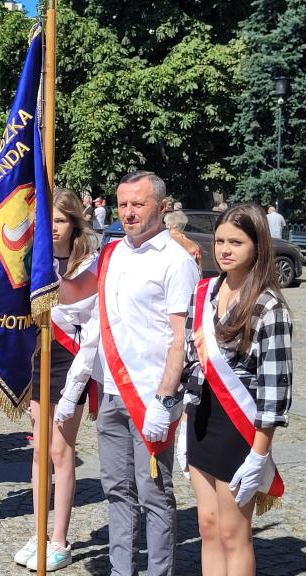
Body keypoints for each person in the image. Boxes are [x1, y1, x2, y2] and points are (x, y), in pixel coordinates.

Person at [92, 171, 199, 575]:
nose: (129, 213)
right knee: (116, 490)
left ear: (162, 207)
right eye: (123, 204)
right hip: (114, 392)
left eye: (139, 204)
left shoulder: (175, 259)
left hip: (151, 398)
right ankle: (122, 569)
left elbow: (180, 338)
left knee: (154, 493)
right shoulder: (114, 252)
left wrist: (164, 400)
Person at [179, 204, 292, 576]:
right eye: (220, 241)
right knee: (207, 527)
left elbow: (275, 391)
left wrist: (259, 456)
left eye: (236, 242)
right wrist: (183, 420)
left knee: (233, 533)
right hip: (201, 419)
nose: (224, 250)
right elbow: (190, 360)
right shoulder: (205, 290)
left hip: (239, 430)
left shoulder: (269, 306)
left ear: (258, 247)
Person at [14, 188, 101, 569]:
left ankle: (60, 538)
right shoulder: (35, 260)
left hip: (72, 360)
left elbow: (92, 330)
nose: (53, 228)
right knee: (39, 452)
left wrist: (76, 387)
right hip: (39, 356)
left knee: (60, 452)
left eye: (61, 220)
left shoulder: (90, 265)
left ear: (75, 223)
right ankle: (39, 532)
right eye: (48, 221)